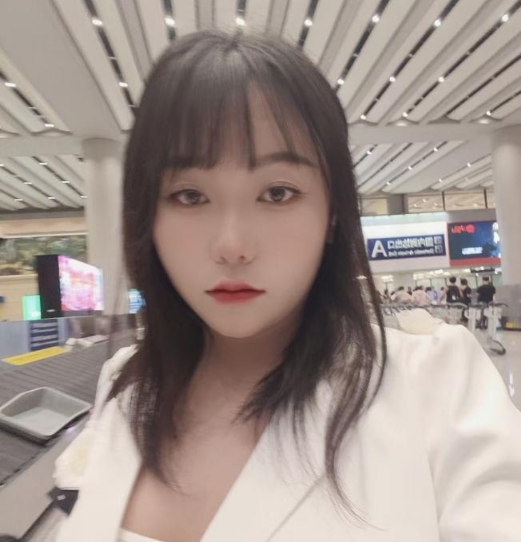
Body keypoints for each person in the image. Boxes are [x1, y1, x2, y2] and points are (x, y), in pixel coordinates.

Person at [51, 31, 521, 541]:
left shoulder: (434, 385)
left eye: (277, 193)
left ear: (333, 212)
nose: (232, 246)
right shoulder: (128, 382)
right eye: (189, 196)